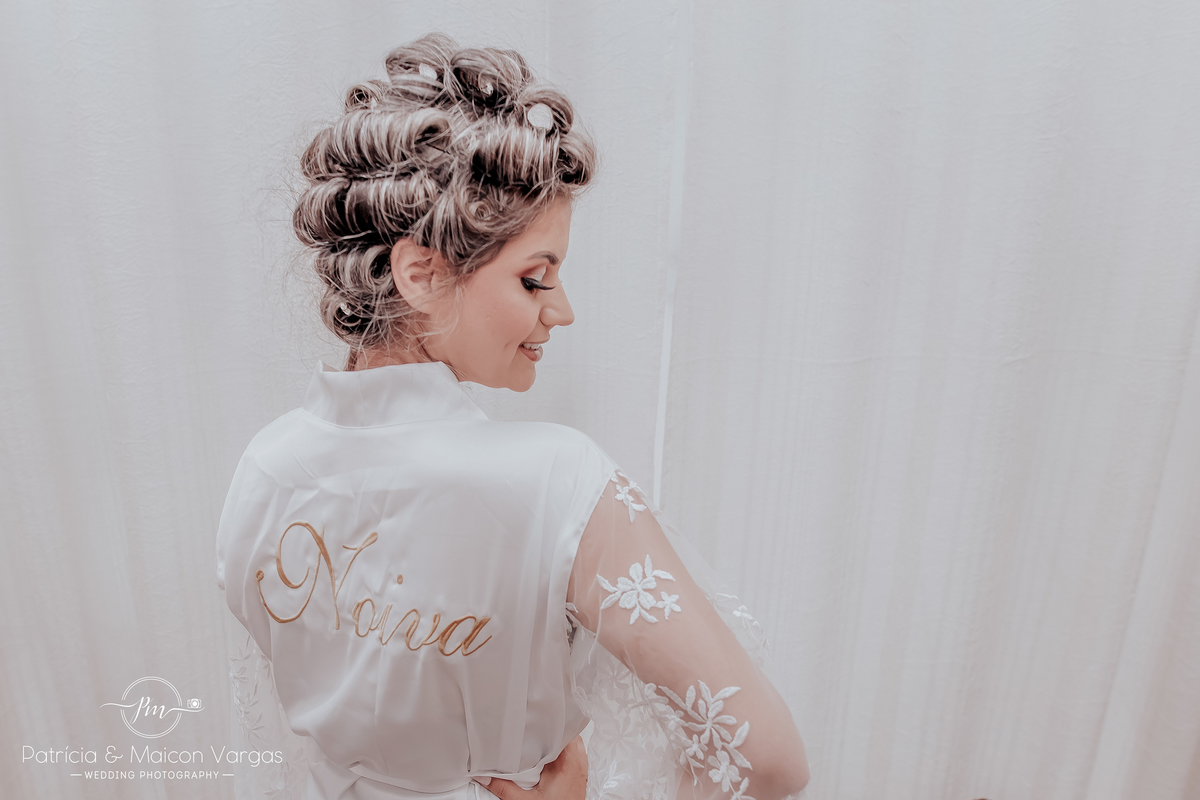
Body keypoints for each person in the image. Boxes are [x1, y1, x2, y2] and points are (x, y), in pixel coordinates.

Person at [215, 33, 809, 800]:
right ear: (422, 273)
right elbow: (769, 763)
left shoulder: (263, 470)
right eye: (535, 280)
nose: (562, 311)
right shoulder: (558, 482)